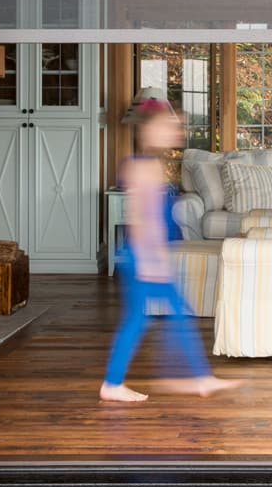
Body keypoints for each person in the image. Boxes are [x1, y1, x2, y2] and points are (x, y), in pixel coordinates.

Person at [100, 97, 242, 403]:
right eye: (168, 127)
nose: (176, 132)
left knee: (177, 316)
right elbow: (140, 220)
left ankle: (200, 378)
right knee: (139, 321)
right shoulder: (143, 169)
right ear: (149, 132)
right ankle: (112, 384)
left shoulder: (151, 165)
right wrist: (152, 261)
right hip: (142, 259)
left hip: (147, 257)